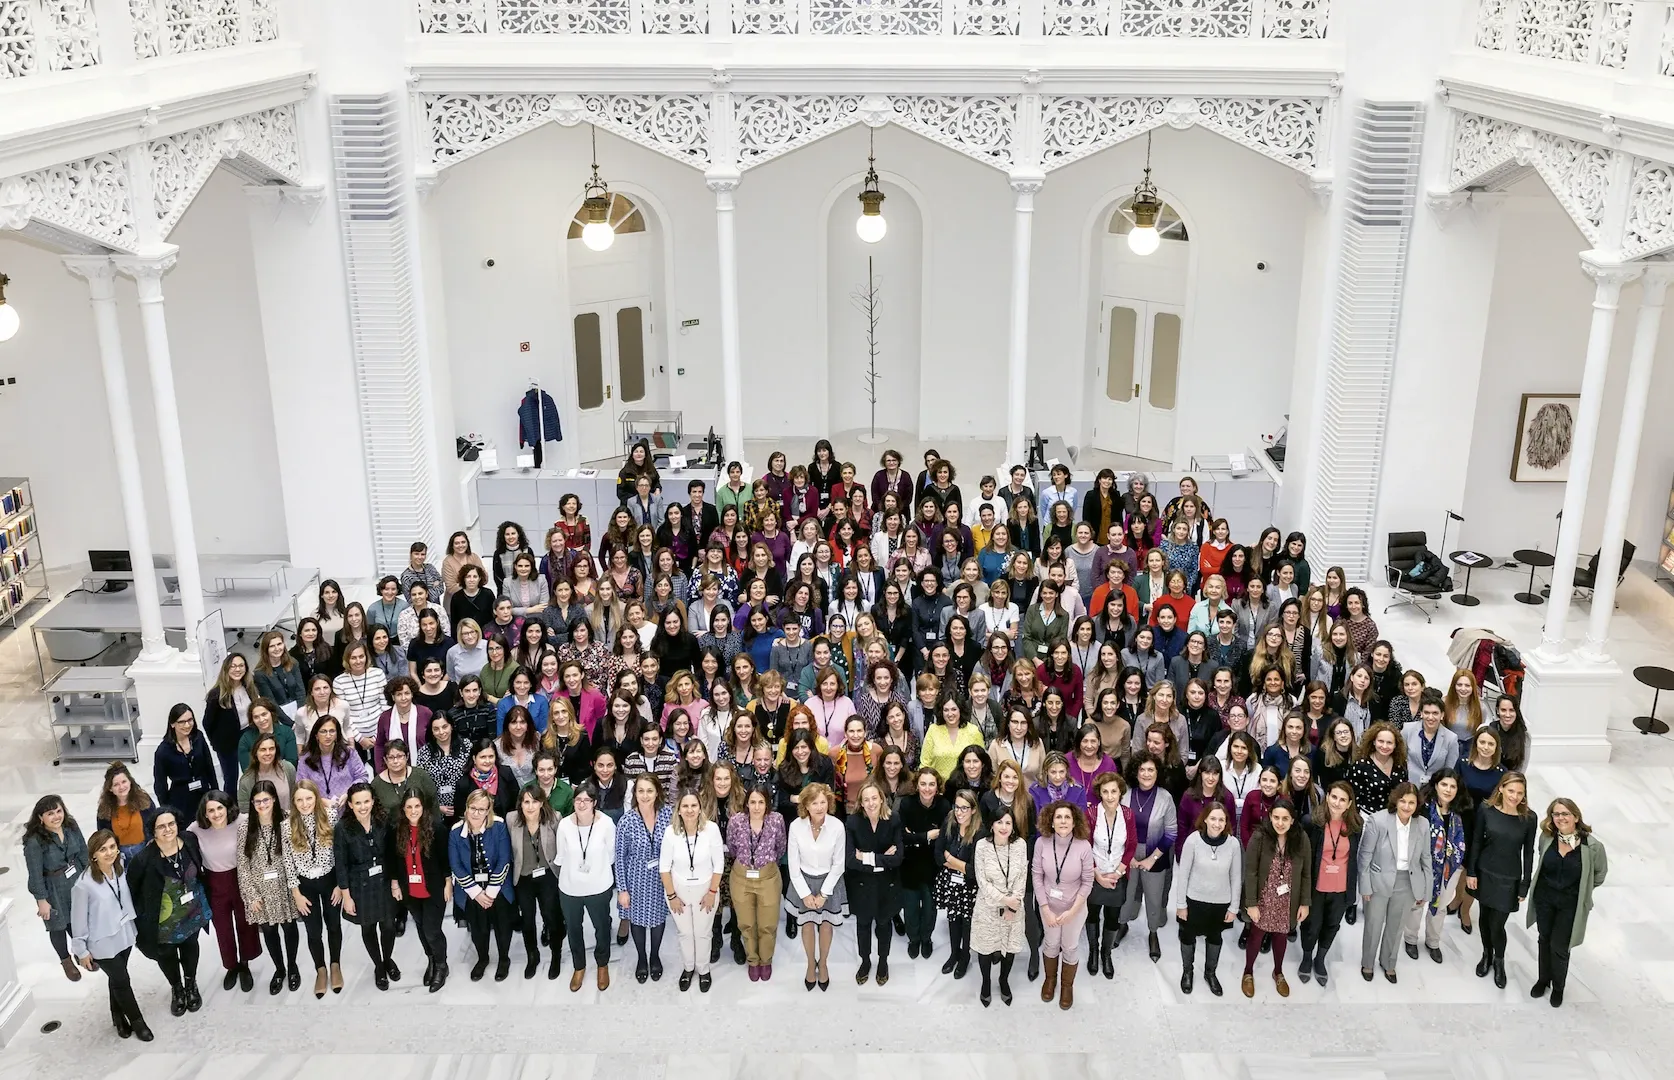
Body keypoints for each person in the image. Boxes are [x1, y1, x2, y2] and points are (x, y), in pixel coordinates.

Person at [71, 829, 153, 1040]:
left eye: (112, 847)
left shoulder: (119, 869)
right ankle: (138, 1022)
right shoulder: (83, 886)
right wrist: (81, 951)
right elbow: (78, 921)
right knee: (122, 980)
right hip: (102, 943)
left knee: (116, 979)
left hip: (124, 934)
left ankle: (117, 1015)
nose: (109, 853)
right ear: (93, 855)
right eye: (102, 849)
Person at [1526, 797, 1608, 1008]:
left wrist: (1581, 891)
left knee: (1560, 946)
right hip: (1545, 898)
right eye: (1556, 814)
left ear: (1576, 817)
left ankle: (1559, 987)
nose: (1560, 818)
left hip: (1569, 904)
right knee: (1544, 939)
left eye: (1565, 814)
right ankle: (1543, 979)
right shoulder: (1546, 838)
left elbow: (1599, 875)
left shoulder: (1593, 847)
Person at [1466, 771, 1537, 989]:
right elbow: (1476, 842)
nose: (1514, 796)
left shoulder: (1528, 818)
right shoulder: (1486, 810)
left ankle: (1499, 960)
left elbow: (1528, 852)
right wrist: (1471, 872)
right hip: (1486, 872)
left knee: (1497, 924)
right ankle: (1486, 954)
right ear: (1502, 789)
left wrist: (1525, 883)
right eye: (1511, 791)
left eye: (1520, 793)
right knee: (1484, 919)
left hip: (1509, 877)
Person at [186, 791, 260, 993]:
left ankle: (245, 964)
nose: (217, 813)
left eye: (220, 808)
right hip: (214, 883)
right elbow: (178, 841)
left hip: (241, 879)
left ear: (228, 807)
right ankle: (231, 966)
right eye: (211, 810)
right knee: (223, 928)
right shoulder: (196, 829)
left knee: (246, 923)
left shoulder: (242, 821)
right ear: (205, 813)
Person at [1357, 782, 1430, 983]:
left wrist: (1425, 892)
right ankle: (1368, 963)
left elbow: (1426, 859)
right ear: (1395, 800)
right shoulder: (1378, 820)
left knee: (1396, 926)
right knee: (1373, 924)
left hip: (1407, 882)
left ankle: (1389, 963)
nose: (1407, 806)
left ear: (1417, 804)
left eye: (1411, 802)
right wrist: (1365, 885)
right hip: (1379, 880)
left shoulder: (1422, 824)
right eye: (1403, 801)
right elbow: (1365, 856)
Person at [1240, 797, 1311, 998]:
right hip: (1264, 897)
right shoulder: (1260, 837)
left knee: (1281, 936)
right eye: (1276, 817)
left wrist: (1305, 902)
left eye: (1285, 818)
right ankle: (1248, 972)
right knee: (1256, 936)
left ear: (1292, 820)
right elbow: (1251, 871)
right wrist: (1251, 903)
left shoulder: (1301, 839)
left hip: (1288, 899)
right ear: (1270, 817)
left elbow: (1306, 873)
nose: (1280, 823)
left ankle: (1278, 971)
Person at [236, 780, 301, 994]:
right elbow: (242, 864)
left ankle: (292, 967)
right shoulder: (245, 827)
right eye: (257, 801)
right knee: (270, 932)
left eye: (266, 799)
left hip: (285, 887)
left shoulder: (287, 820)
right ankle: (279, 969)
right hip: (260, 891)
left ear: (274, 799)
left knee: (290, 929)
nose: (262, 804)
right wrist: (251, 895)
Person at [1171, 801, 1242, 996]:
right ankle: (1188, 971)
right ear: (1205, 819)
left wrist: (1234, 907)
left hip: (1220, 902)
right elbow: (1183, 874)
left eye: (1221, 819)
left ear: (1226, 821)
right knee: (1187, 936)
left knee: (1215, 938)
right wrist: (1180, 904)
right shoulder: (1193, 840)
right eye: (1213, 818)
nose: (1217, 823)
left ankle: (1210, 973)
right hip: (1194, 900)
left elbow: (1236, 877)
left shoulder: (1233, 844)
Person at [659, 791, 726, 992]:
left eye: (694, 806)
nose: (690, 810)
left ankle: (703, 969)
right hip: (678, 891)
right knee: (685, 933)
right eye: (685, 806)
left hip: (706, 890)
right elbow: (664, 867)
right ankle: (688, 968)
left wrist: (712, 892)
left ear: (700, 808)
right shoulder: (671, 832)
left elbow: (718, 864)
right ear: (678, 809)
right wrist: (672, 896)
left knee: (703, 933)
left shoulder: (711, 829)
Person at [1296, 780, 1361, 987]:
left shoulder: (1355, 826)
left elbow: (1356, 860)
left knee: (1332, 925)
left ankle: (1320, 959)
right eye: (1334, 797)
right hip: (1316, 887)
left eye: (1343, 800)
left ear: (1349, 804)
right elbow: (1303, 859)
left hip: (1341, 889)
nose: (1337, 803)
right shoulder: (1311, 822)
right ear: (1327, 797)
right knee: (1310, 926)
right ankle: (1307, 957)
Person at [333, 782, 398, 989]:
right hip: (359, 885)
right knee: (367, 926)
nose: (363, 806)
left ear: (373, 801)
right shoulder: (342, 828)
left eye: (366, 801)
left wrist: (396, 882)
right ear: (350, 805)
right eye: (358, 803)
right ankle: (378, 966)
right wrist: (346, 896)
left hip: (384, 880)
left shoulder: (383, 820)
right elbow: (340, 864)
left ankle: (387, 959)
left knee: (388, 926)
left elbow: (392, 854)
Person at [450, 787, 518, 981]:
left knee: (502, 926)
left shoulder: (498, 826)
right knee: (478, 928)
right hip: (471, 890)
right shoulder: (456, 832)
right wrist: (476, 894)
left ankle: (504, 959)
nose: (476, 813)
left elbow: (504, 859)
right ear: (466, 808)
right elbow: (456, 865)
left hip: (497, 888)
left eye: (481, 809)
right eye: (473, 808)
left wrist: (490, 892)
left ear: (489, 810)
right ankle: (482, 958)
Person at [554, 782, 615, 992]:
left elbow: (611, 855)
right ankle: (579, 966)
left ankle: (602, 963)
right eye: (578, 800)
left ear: (594, 802)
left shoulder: (606, 823)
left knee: (602, 927)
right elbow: (560, 857)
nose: (582, 804)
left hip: (598, 886)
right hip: (570, 888)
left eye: (587, 800)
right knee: (573, 929)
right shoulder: (564, 825)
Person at [1033, 799, 1094, 1010]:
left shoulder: (1084, 846)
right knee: (1050, 943)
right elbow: (1037, 877)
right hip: (1048, 906)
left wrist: (1072, 911)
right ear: (1051, 821)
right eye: (1058, 817)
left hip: (1074, 908)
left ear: (1074, 821)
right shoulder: (1041, 843)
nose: (1063, 821)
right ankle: (1050, 979)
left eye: (1067, 817)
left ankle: (1067, 986)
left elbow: (1087, 882)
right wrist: (1044, 909)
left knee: (1069, 946)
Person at [24, 794, 90, 982]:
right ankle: (65, 961)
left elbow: (83, 852)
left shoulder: (71, 826)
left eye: (59, 811)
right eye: (50, 813)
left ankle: (81, 951)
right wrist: (41, 900)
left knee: (78, 919)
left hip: (76, 878)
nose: (56, 816)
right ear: (40, 818)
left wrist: (89, 877)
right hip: (53, 886)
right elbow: (35, 873)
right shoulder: (34, 842)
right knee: (58, 925)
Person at [391, 791, 453, 992]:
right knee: (420, 926)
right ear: (403, 809)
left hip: (433, 888)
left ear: (424, 808)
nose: (413, 811)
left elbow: (445, 859)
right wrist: (395, 884)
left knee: (432, 930)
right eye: (409, 807)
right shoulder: (397, 830)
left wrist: (448, 882)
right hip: (410, 889)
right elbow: (392, 860)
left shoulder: (437, 829)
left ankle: (442, 965)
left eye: (417, 806)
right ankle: (431, 960)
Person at [614, 774, 673, 983]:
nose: (645, 795)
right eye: (641, 791)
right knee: (637, 921)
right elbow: (619, 857)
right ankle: (641, 958)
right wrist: (622, 889)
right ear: (634, 793)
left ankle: (655, 955)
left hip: (661, 880)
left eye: (649, 790)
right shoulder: (626, 820)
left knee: (658, 920)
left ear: (657, 792)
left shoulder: (668, 815)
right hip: (635, 880)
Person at [285, 780, 341, 998]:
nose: (304, 803)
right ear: (294, 802)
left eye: (308, 798)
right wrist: (296, 894)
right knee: (313, 930)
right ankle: (321, 969)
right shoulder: (286, 825)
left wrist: (339, 885)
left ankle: (335, 964)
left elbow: (339, 853)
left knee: (334, 924)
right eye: (299, 799)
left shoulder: (330, 817)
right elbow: (288, 863)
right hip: (305, 884)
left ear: (316, 798)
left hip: (330, 881)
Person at [844, 779, 903, 986]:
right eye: (866, 799)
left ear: (881, 799)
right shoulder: (852, 822)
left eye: (874, 798)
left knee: (884, 925)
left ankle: (883, 962)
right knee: (863, 925)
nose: (870, 803)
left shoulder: (893, 819)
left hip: (887, 885)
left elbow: (898, 859)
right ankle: (866, 961)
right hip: (861, 885)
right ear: (860, 802)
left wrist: (866, 857)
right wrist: (880, 859)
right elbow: (850, 860)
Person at [1404, 769, 1466, 964]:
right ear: (1436, 785)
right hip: (1424, 866)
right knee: (1417, 903)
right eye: (1444, 784)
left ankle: (1433, 942)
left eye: (1452, 786)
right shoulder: (1422, 809)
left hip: (1450, 869)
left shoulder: (1462, 810)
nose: (1448, 790)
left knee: (1440, 907)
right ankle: (1410, 939)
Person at [1120, 753, 1177, 963]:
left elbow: (1171, 832)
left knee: (1154, 897)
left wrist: (1152, 859)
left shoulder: (1165, 797)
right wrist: (1128, 858)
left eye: (1151, 770)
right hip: (1128, 854)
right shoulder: (1125, 794)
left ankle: (1153, 933)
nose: (1146, 774)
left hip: (1156, 854)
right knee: (1126, 892)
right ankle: (1123, 923)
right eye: (1142, 769)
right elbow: (1117, 826)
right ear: (1135, 771)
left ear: (1157, 772)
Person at [728, 784, 787, 981]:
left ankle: (766, 960)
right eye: (752, 802)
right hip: (741, 877)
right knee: (746, 923)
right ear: (746, 803)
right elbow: (732, 847)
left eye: (761, 802)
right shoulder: (736, 821)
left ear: (767, 803)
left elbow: (780, 847)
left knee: (767, 924)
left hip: (768, 877)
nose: (756, 807)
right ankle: (752, 960)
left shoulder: (776, 820)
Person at [971, 807, 1028, 1007]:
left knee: (1010, 948)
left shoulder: (1020, 845)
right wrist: (1006, 901)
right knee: (985, 950)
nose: (1003, 827)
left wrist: (1013, 906)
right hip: (987, 908)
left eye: (1008, 823)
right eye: (999, 822)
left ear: (1013, 826)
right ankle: (986, 983)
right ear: (992, 824)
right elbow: (982, 882)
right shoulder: (981, 846)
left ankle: (1003, 981)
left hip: (1014, 909)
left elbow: (1022, 877)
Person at [507, 786, 564, 980]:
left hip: (548, 874)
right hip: (523, 877)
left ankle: (556, 955)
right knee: (527, 919)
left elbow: (562, 849)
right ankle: (533, 956)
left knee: (551, 917)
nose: (530, 806)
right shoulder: (511, 820)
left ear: (542, 802)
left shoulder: (554, 818)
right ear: (520, 803)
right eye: (526, 801)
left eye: (534, 801)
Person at [1086, 771, 1137, 977]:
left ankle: (1106, 954)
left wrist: (1118, 872)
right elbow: (1085, 846)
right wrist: (1097, 874)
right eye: (1105, 791)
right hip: (1095, 873)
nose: (1109, 796)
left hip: (1118, 875)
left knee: (1112, 916)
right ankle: (1093, 953)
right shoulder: (1090, 815)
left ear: (1120, 793)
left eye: (1113, 791)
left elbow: (1131, 845)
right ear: (1099, 793)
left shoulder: (1128, 814)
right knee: (1092, 915)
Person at [898, 767, 948, 961]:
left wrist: (915, 837)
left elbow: (944, 836)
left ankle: (926, 939)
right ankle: (914, 939)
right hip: (909, 865)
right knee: (910, 908)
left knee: (930, 907)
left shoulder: (944, 806)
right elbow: (902, 837)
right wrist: (926, 836)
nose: (927, 789)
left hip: (933, 866)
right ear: (916, 785)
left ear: (937, 787)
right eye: (923, 784)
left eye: (931, 784)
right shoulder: (907, 805)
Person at [154, 703, 218, 820]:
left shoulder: (198, 737)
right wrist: (166, 810)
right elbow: (160, 784)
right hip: (181, 800)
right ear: (172, 724)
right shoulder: (163, 751)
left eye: (190, 720)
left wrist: (215, 793)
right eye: (182, 722)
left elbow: (209, 767)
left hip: (203, 792)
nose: (187, 725)